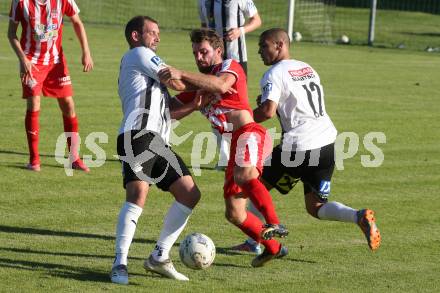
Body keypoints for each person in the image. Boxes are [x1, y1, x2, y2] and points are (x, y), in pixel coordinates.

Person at [159, 28, 288, 267]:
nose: (199, 58)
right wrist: (189, 102)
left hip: (250, 133)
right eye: (195, 53)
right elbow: (169, 113)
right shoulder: (199, 86)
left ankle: (273, 223)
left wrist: (180, 73)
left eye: (204, 52)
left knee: (244, 175)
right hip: (235, 147)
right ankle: (274, 247)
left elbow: (219, 85)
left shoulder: (230, 66)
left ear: (218, 51)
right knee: (234, 213)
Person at [248, 28, 381, 252]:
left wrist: (241, 118)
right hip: (327, 143)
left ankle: (254, 244)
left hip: (299, 146)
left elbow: (268, 112)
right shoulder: (307, 67)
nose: (259, 51)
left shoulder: (273, 74)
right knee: (315, 206)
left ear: (279, 45)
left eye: (264, 46)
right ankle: (358, 216)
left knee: (255, 186)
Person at [111, 16, 211, 284]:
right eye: (152, 32)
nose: (157, 37)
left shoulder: (147, 71)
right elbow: (176, 81)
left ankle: (159, 256)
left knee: (190, 194)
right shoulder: (139, 54)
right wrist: (212, 81)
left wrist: (195, 105)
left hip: (157, 140)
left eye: (158, 33)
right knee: (138, 193)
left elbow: (169, 112)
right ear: (135, 36)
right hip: (137, 135)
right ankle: (120, 263)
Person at [7, 0, 93, 172]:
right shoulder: (21, 2)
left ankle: (74, 158)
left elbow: (77, 22)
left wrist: (86, 52)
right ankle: (34, 160)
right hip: (31, 62)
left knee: (68, 104)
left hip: (56, 62)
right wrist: (23, 59)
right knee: (34, 103)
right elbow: (11, 33)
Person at [198, 0, 262, 169]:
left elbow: (256, 20)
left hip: (237, 60)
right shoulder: (203, 2)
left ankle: (244, 152)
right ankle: (224, 157)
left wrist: (240, 31)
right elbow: (204, 28)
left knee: (236, 108)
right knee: (211, 105)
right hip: (212, 62)